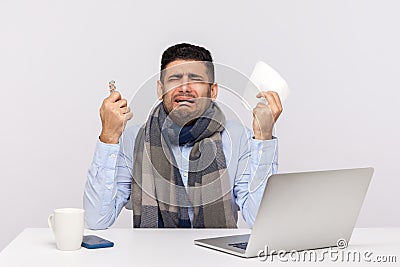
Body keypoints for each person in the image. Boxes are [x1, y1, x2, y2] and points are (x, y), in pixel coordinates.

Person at [83, 43, 283, 229]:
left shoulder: (238, 137)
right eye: (174, 78)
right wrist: (109, 136)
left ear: (212, 91)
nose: (185, 87)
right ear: (160, 90)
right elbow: (97, 219)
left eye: (195, 79)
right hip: (151, 256)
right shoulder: (134, 138)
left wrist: (264, 138)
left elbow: (260, 220)